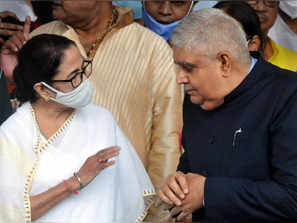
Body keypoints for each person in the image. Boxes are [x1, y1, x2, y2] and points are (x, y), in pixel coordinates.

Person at [1, 0, 182, 191]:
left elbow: (166, 142)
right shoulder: (38, 39)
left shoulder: (152, 49)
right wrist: (11, 79)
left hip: (126, 203)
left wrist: (158, 213)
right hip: (49, 204)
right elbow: (20, 130)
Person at [159, 8, 297, 221]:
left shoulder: (289, 96)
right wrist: (180, 184)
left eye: (189, 68)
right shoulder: (196, 97)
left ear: (224, 62)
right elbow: (192, 163)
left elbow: (294, 198)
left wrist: (208, 193)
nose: (180, 78)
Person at [0, 34, 154, 223]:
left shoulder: (101, 119)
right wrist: (76, 181)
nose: (84, 81)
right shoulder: (13, 135)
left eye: (83, 69)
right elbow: (9, 214)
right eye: (74, 77)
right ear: (43, 90)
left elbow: (128, 192)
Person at [244, 0, 297, 72]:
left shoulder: (296, 63)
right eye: (252, 0)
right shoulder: (227, 57)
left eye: (270, 1)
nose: (260, 8)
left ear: (278, 6)